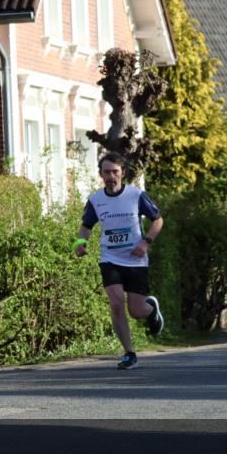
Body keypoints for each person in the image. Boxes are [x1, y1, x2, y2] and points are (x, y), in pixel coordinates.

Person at [75, 153, 164, 369]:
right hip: (110, 259)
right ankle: (129, 353)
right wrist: (79, 243)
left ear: (122, 173)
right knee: (115, 304)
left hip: (136, 260)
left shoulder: (136, 195)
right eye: (107, 172)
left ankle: (150, 308)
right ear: (101, 175)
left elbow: (158, 220)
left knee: (136, 310)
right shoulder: (96, 200)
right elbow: (86, 226)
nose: (111, 176)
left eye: (115, 172)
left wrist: (146, 243)